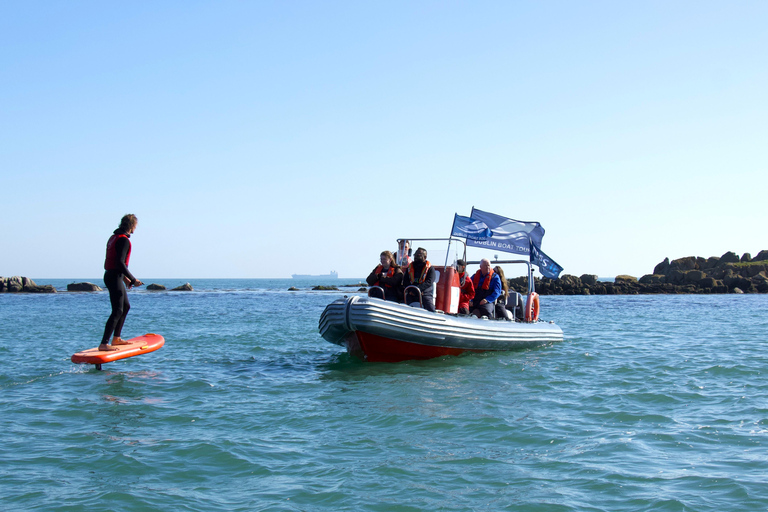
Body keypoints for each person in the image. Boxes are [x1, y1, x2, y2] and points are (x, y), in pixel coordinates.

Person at [99, 214, 143, 351]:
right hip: (113, 276)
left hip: (113, 275)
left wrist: (124, 278)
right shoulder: (123, 240)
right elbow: (120, 263)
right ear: (132, 226)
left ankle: (116, 338)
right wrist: (133, 279)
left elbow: (115, 262)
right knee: (117, 310)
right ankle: (104, 344)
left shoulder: (114, 237)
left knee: (126, 306)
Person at [401, 247, 436, 312]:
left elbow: (429, 282)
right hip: (411, 292)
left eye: (418, 255)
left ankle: (434, 316)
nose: (416, 257)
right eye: (415, 255)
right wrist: (411, 290)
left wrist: (418, 289)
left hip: (424, 293)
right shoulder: (410, 267)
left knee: (429, 306)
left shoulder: (430, 269)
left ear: (425, 257)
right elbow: (406, 280)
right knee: (402, 302)